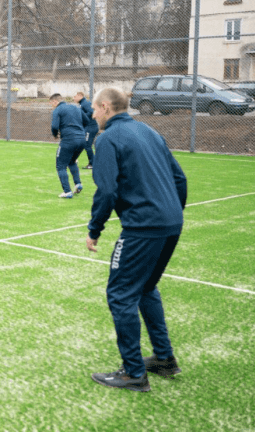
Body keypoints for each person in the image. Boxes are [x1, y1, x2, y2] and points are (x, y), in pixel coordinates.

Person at [85, 87, 186, 392]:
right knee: (146, 288)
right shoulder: (148, 131)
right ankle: (164, 359)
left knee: (120, 295)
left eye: (94, 109)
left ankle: (133, 373)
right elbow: (179, 178)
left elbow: (106, 191)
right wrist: (170, 212)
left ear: (105, 107)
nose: (92, 115)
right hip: (170, 223)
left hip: (143, 228)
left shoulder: (107, 139)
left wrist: (94, 229)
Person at [50, 93, 89, 198]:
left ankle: (67, 192)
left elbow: (54, 126)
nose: (52, 105)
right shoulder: (75, 107)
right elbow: (87, 121)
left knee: (60, 165)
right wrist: (79, 131)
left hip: (68, 140)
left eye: (51, 103)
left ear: (55, 101)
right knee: (71, 161)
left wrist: (55, 135)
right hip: (81, 139)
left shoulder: (58, 110)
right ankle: (78, 184)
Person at [74, 91, 98, 169]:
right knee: (83, 144)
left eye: (75, 96)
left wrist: (81, 117)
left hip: (91, 127)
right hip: (88, 127)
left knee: (87, 145)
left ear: (80, 95)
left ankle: (92, 164)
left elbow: (91, 112)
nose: (74, 98)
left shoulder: (85, 103)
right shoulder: (82, 103)